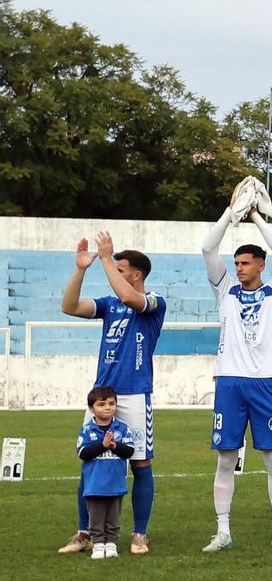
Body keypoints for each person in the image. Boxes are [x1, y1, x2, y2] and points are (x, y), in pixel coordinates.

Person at [200, 178, 272, 552]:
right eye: (236, 263)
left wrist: (255, 215)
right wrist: (231, 212)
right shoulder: (225, 289)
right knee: (226, 459)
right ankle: (222, 531)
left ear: (260, 265)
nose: (239, 268)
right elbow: (208, 247)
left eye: (245, 263)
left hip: (266, 383)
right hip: (229, 382)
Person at [59, 232, 165, 556]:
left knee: (140, 464)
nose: (112, 275)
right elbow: (69, 306)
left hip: (134, 395)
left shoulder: (154, 302)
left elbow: (133, 299)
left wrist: (105, 258)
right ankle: (85, 532)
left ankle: (139, 534)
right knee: (90, 460)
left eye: (119, 271)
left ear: (136, 275)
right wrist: (81, 269)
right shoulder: (109, 306)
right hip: (101, 394)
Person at [76, 387, 135, 560]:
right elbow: (83, 453)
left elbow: (129, 451)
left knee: (113, 516)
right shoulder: (87, 430)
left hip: (116, 483)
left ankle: (111, 543)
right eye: (101, 404)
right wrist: (103, 445)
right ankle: (98, 543)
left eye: (111, 403)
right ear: (91, 408)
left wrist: (115, 446)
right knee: (96, 515)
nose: (107, 408)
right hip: (94, 484)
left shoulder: (122, 428)